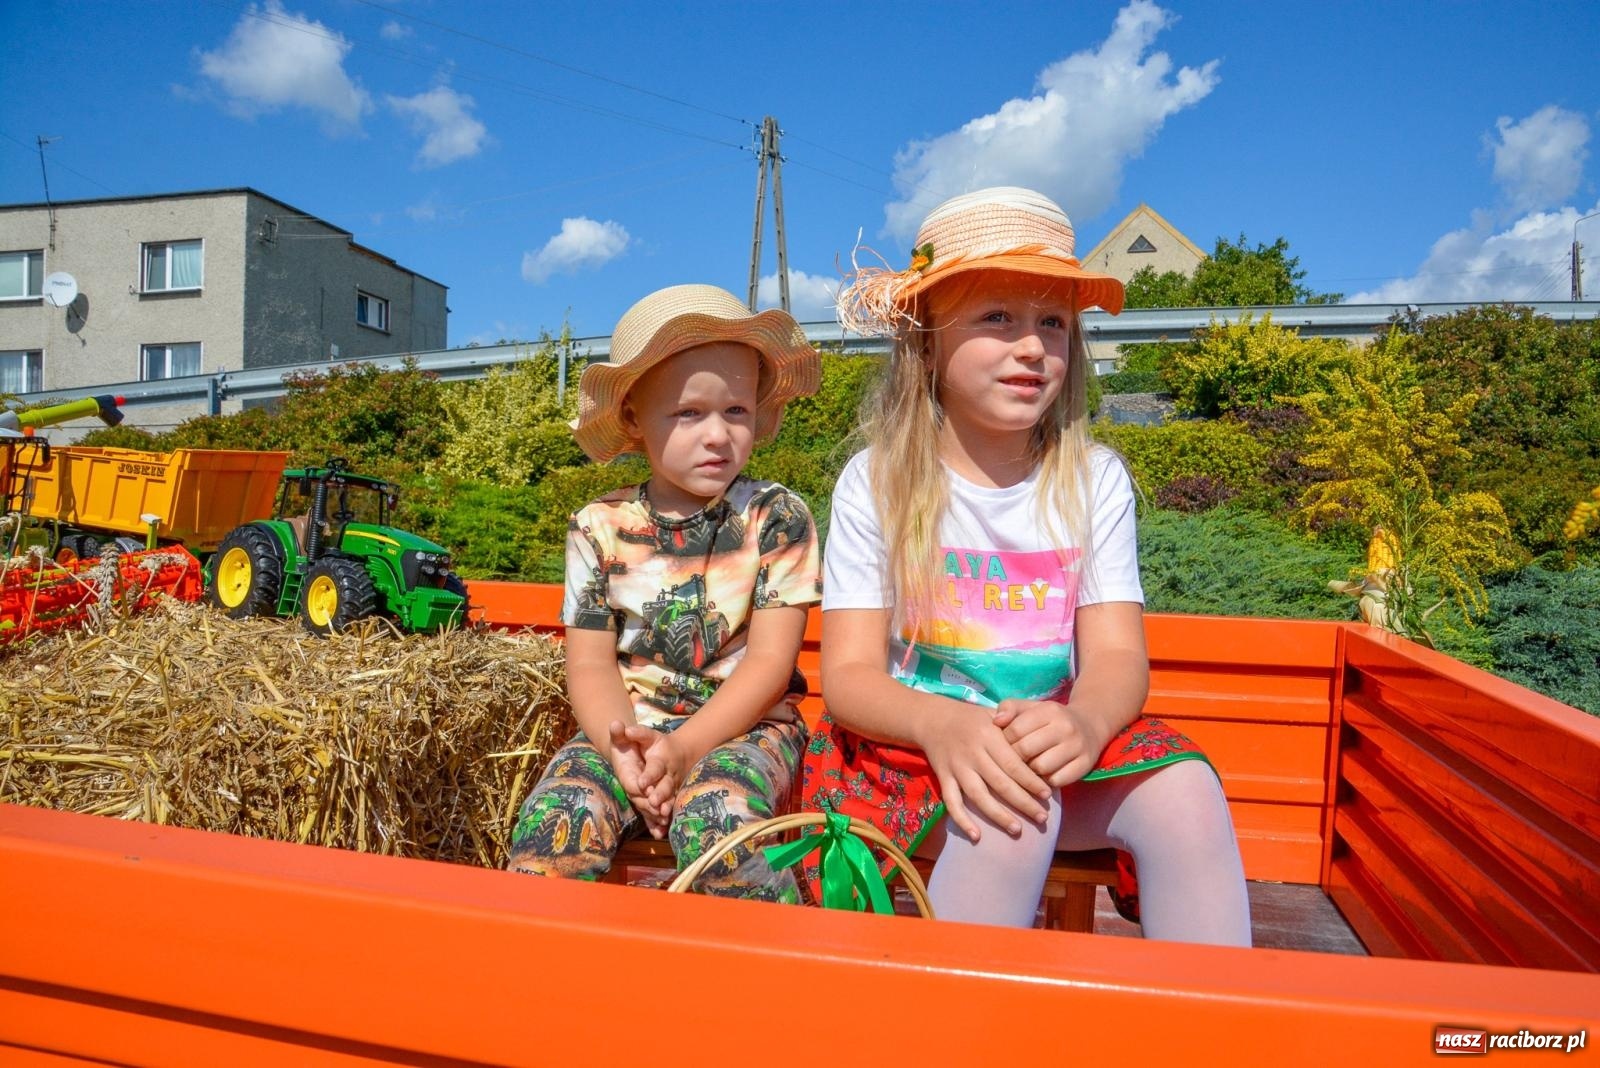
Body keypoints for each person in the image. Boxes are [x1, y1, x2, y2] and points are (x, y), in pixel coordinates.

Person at [802, 187, 1252, 944]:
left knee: (1187, 793)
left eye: (1053, 323)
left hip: (1051, 742)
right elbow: (848, 679)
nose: (1033, 347)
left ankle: (1212, 1012)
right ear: (927, 343)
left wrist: (1087, 720)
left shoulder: (1093, 478)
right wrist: (941, 724)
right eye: (997, 318)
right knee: (1012, 812)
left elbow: (1116, 657)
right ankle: (954, 1010)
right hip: (908, 752)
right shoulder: (878, 481)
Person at [507, 284, 822, 903]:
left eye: (736, 411)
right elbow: (590, 666)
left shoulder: (775, 517)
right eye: (689, 413)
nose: (718, 435)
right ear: (633, 418)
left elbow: (768, 664)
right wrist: (625, 753)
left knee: (719, 822)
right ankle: (553, 958)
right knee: (557, 819)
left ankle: (771, 957)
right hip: (630, 730)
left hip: (748, 729)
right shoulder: (598, 527)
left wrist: (682, 749)